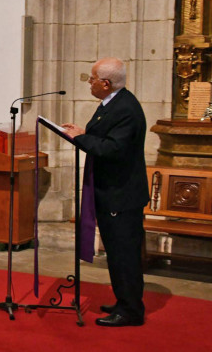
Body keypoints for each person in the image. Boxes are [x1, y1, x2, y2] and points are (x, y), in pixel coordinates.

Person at [62, 57, 148, 327]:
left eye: (92, 79)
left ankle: (131, 311)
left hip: (121, 194)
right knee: (116, 252)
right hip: (111, 191)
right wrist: (84, 132)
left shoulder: (126, 109)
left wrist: (80, 138)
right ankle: (124, 300)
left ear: (106, 83)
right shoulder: (113, 104)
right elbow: (107, 136)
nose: (90, 83)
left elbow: (112, 149)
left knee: (124, 254)